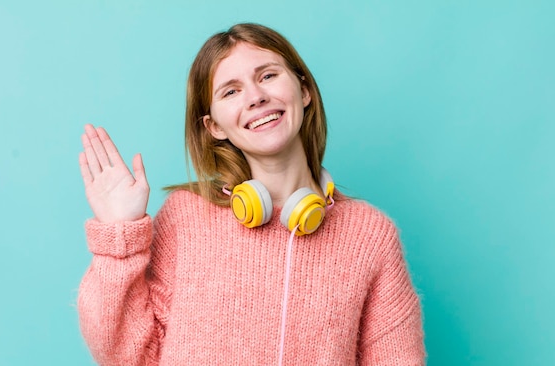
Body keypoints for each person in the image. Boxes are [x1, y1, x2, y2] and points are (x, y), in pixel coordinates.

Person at [77, 23, 426, 365]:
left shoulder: (370, 235)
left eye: (268, 76)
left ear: (304, 91)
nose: (256, 97)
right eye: (230, 91)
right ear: (214, 126)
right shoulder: (186, 217)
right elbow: (127, 355)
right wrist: (118, 236)